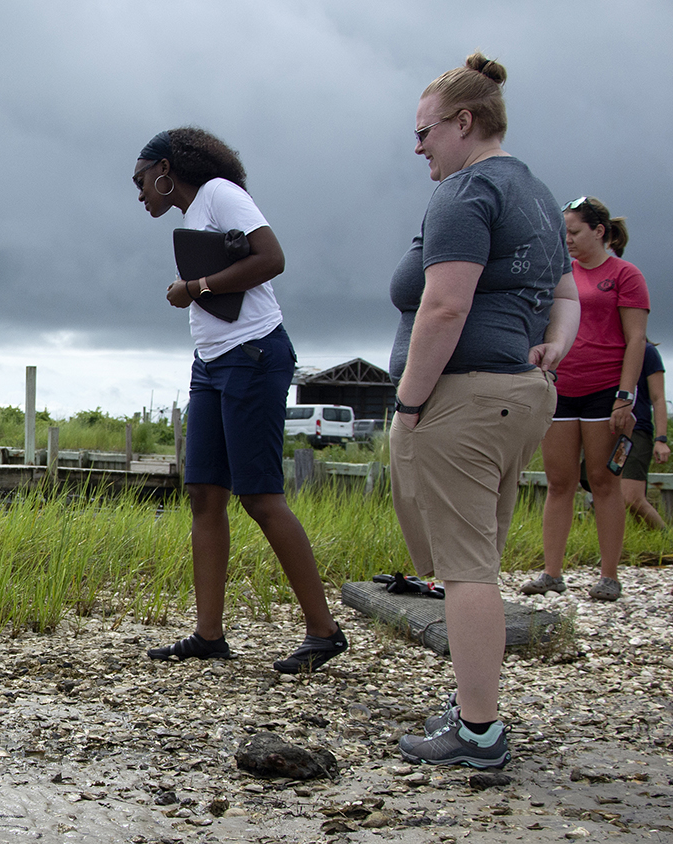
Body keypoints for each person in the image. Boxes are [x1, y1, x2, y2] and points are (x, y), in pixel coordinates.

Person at [389, 53, 579, 769]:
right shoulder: (533, 190)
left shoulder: (466, 192)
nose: (419, 147)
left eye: (425, 131)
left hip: (465, 399)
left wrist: (409, 403)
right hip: (521, 397)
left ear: (464, 122)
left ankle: (478, 732)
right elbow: (566, 294)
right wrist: (553, 345)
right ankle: (475, 707)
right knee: (479, 563)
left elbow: (444, 304)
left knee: (466, 570)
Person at [132, 127, 346, 674]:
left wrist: (195, 288)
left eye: (141, 182)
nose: (140, 196)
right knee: (204, 493)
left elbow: (271, 258)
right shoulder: (193, 213)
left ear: (165, 169)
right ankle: (208, 635)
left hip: (253, 355)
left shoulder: (222, 192)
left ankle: (323, 632)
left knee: (259, 495)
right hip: (211, 363)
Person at [520, 197, 649, 602]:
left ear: (599, 231)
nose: (568, 240)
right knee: (560, 482)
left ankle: (609, 576)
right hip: (561, 387)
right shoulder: (562, 274)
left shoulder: (625, 275)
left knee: (603, 480)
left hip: (605, 389)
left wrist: (625, 397)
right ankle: (552, 573)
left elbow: (637, 340)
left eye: (574, 232)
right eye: (565, 234)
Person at [620, 341, 668, 529]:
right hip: (606, 429)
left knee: (632, 497)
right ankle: (640, 538)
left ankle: (665, 539)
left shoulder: (647, 352)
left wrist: (661, 439)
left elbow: (658, 398)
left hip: (636, 432)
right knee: (611, 495)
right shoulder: (607, 349)